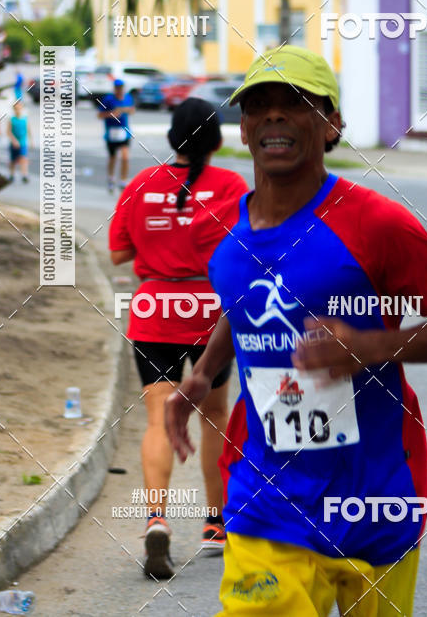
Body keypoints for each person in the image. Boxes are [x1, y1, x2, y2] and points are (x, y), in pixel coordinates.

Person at [165, 45, 427, 617]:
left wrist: (370, 347)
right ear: (244, 126)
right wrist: (204, 374)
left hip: (376, 491)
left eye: (297, 103)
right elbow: (244, 305)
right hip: (267, 491)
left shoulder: (378, 224)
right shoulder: (231, 230)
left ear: (333, 123)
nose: (274, 116)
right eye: (258, 105)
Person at [109, 98, 248, 580]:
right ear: (216, 139)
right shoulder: (231, 186)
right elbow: (246, 253)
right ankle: (215, 523)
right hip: (211, 312)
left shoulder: (140, 184)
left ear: (172, 137)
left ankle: (156, 520)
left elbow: (119, 254)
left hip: (153, 310)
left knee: (157, 417)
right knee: (214, 415)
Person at [98, 79, 135, 193]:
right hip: (112, 132)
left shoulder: (128, 98)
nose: (119, 90)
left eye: (121, 87)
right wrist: (112, 114)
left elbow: (132, 110)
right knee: (113, 157)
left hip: (124, 131)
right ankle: (111, 178)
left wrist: (126, 110)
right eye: (117, 88)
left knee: (125, 157)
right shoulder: (108, 99)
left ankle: (123, 181)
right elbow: (100, 115)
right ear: (114, 88)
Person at [7, 100, 30, 182]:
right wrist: (14, 140)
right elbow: (8, 132)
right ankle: (11, 175)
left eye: (19, 107)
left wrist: (31, 140)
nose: (18, 109)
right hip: (14, 143)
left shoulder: (25, 119)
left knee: (23, 158)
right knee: (13, 160)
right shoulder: (11, 119)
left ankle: (24, 175)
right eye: (16, 108)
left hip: (23, 142)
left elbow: (28, 130)